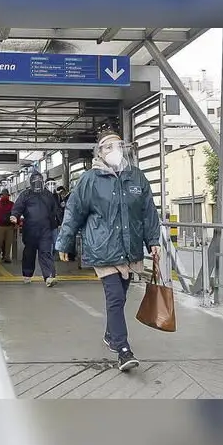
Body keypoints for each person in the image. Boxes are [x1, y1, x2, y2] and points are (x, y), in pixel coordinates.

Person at [55, 129, 161, 370]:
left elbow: (148, 211)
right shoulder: (90, 179)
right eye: (107, 146)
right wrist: (64, 241)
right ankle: (123, 350)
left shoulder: (136, 177)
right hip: (103, 247)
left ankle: (110, 335)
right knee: (114, 297)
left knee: (121, 297)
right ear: (99, 153)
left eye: (117, 145)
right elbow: (74, 211)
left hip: (129, 248)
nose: (113, 150)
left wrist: (153, 241)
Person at [10, 170, 60, 286]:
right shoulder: (25, 194)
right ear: (31, 183)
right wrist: (14, 215)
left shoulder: (48, 195)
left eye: (39, 181)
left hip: (45, 229)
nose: (37, 183)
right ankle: (27, 274)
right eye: (35, 181)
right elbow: (18, 207)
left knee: (46, 252)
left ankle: (49, 276)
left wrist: (58, 222)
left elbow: (55, 210)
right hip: (30, 229)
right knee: (29, 252)